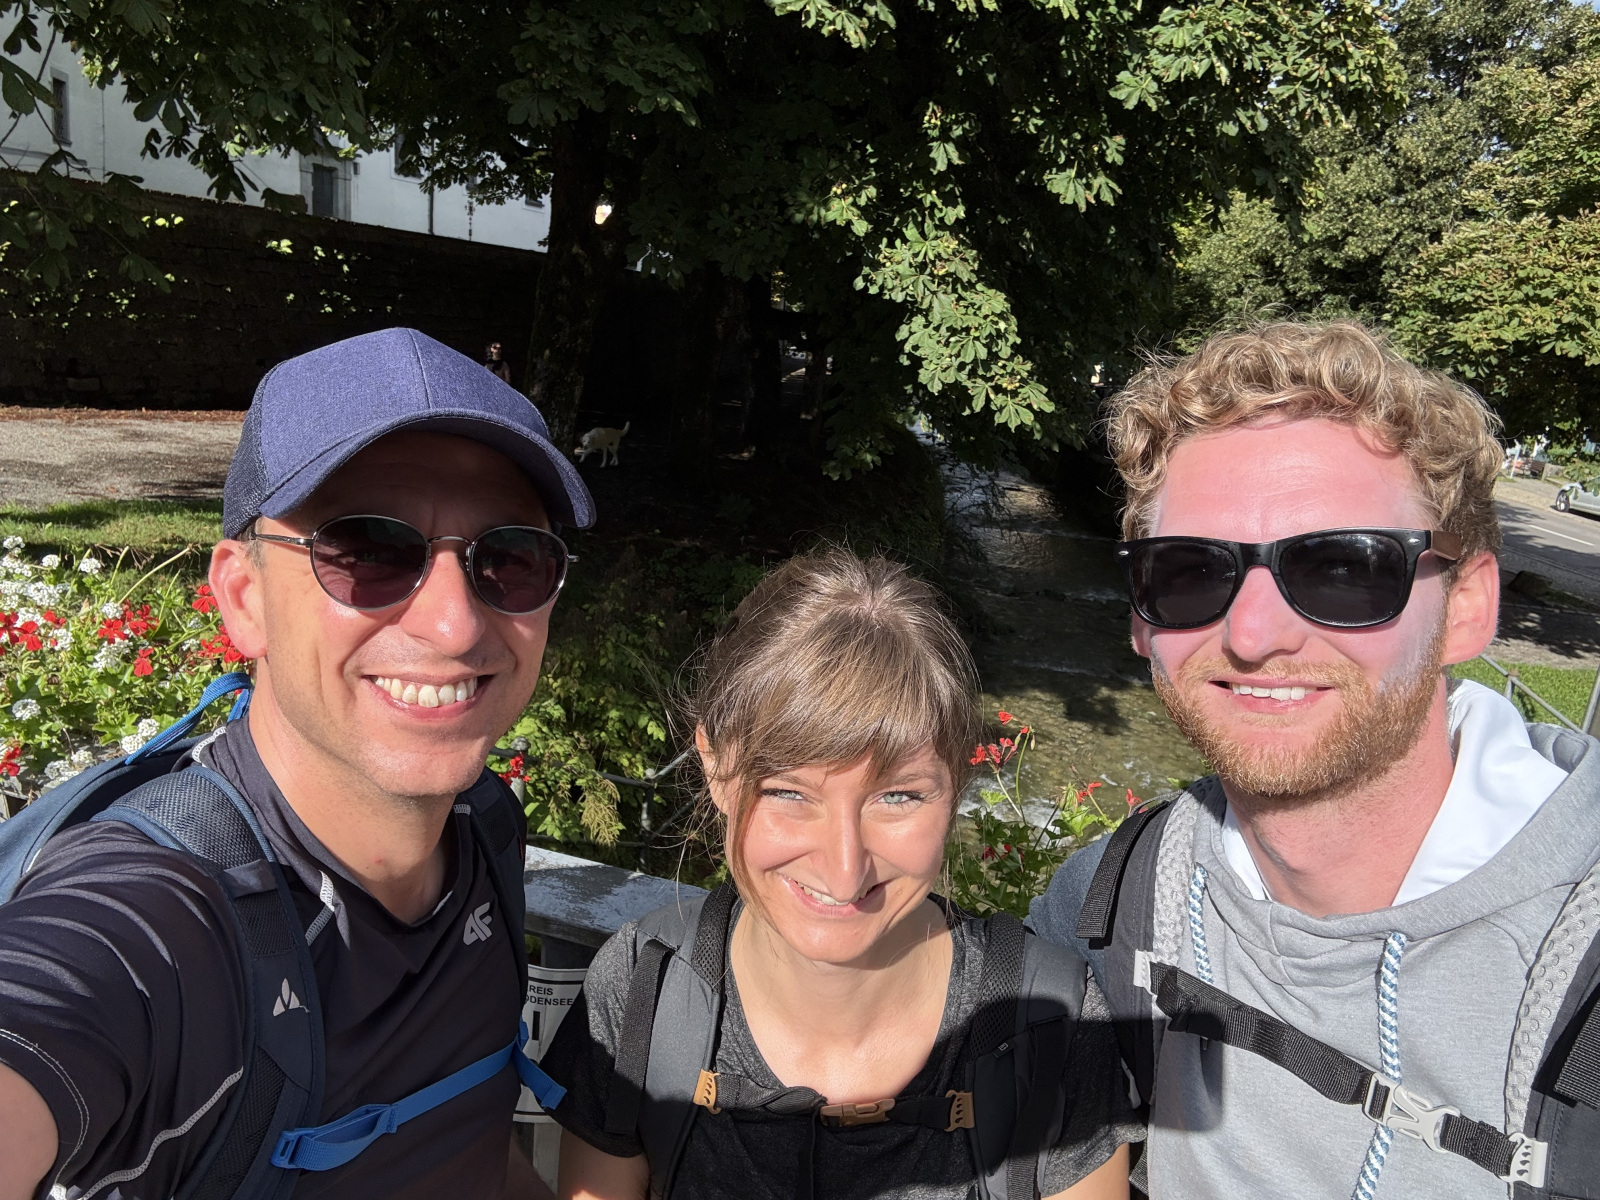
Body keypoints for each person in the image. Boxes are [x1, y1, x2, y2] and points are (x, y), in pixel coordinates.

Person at [0, 328, 594, 1199]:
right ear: (244, 599)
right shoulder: (166, 920)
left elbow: (462, 1135)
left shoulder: (484, 826)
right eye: (368, 551)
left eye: (508, 559)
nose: (455, 624)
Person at [1028, 321, 1600, 1199]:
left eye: (1342, 569)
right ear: (1142, 619)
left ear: (1466, 608)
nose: (1255, 634)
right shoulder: (1110, 903)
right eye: (1189, 572)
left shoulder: (1578, 968)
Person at [544, 550, 1138, 1200]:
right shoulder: (642, 993)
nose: (845, 867)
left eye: (898, 796)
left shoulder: (1054, 1027)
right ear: (715, 766)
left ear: (959, 786)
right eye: (788, 792)